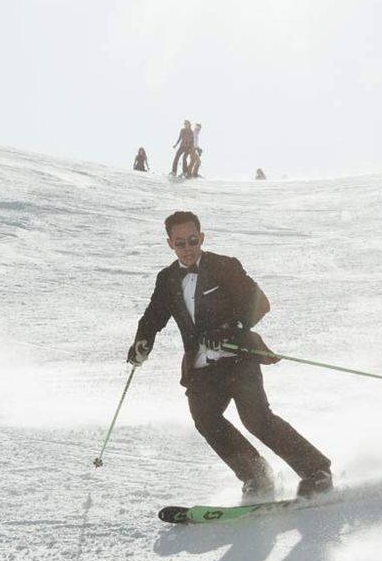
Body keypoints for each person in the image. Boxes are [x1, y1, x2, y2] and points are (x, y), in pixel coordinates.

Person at [127, 210, 333, 500]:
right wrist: (142, 342)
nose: (187, 249)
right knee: (205, 418)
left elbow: (258, 304)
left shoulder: (224, 266)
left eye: (193, 241)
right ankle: (257, 477)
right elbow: (153, 316)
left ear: (202, 238)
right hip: (202, 367)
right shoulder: (167, 279)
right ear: (170, 244)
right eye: (180, 243)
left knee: (256, 419)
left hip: (239, 358)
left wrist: (230, 328)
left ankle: (317, 471)